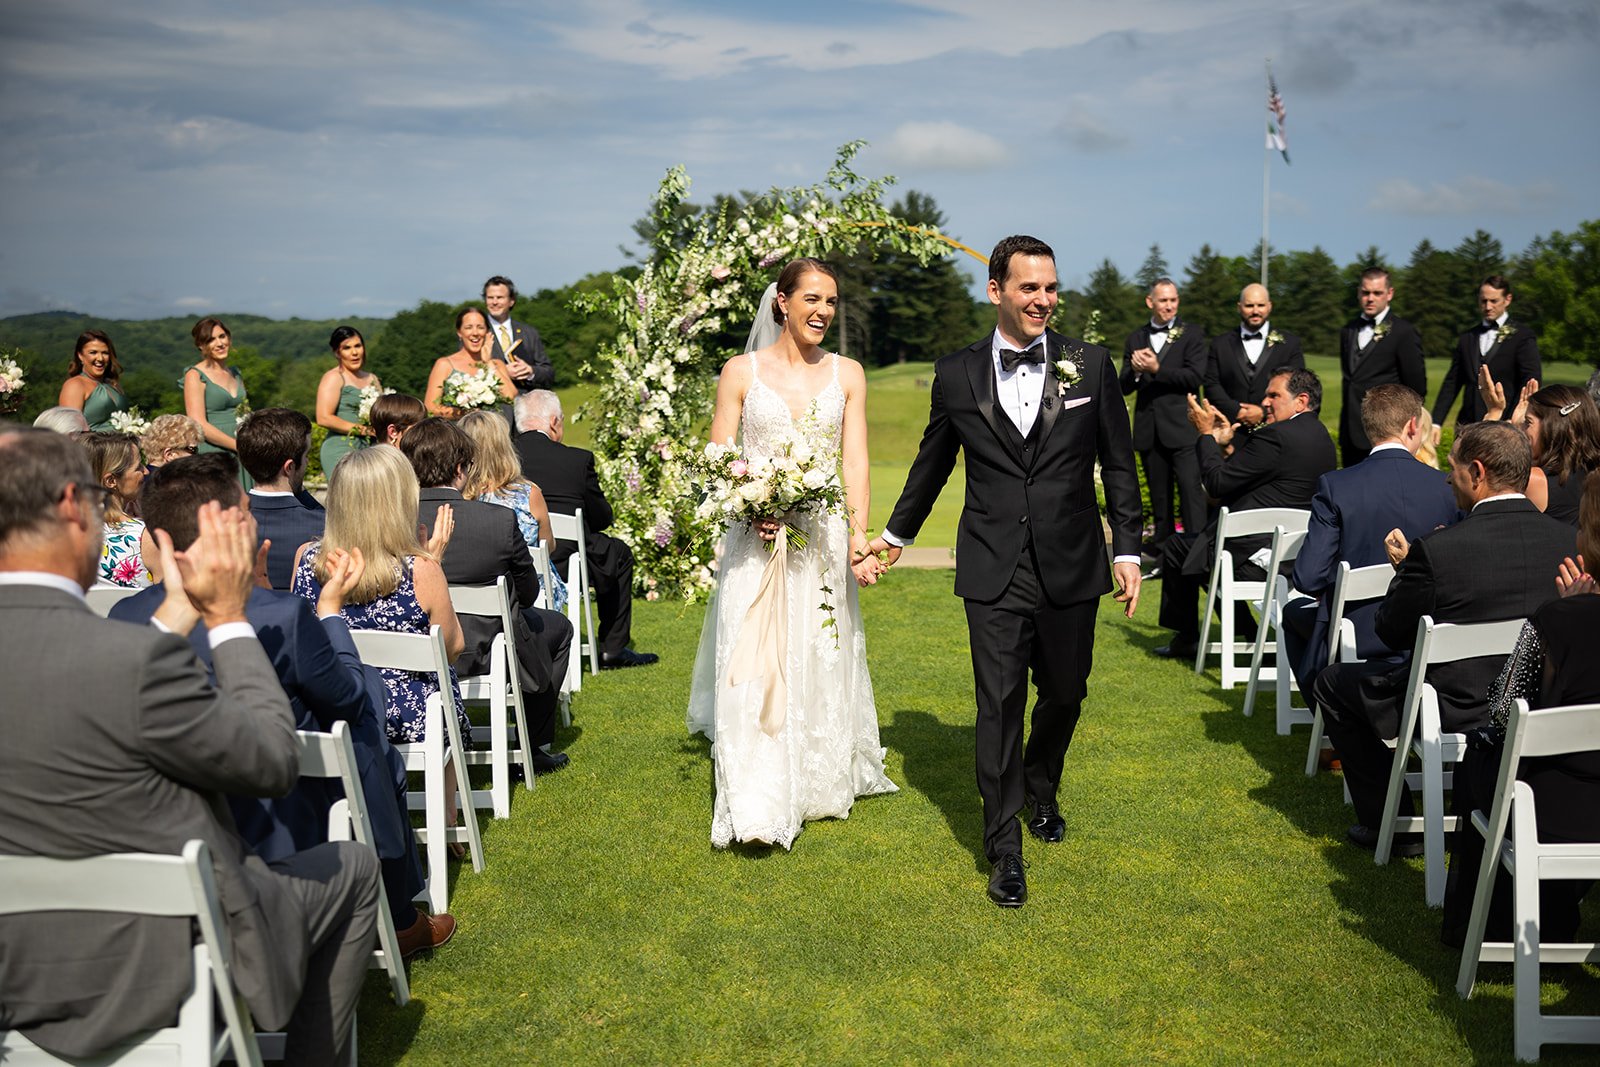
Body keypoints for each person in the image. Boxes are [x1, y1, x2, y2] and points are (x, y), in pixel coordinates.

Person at [0, 427, 379, 1064]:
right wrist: (228, 617)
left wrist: (175, 615)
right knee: (354, 868)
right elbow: (270, 761)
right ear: (72, 506)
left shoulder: (122, 649)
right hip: (148, 965)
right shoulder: (134, 662)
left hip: (16, 964)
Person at [864, 236, 1143, 907]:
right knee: (998, 704)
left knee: (1067, 691)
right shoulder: (957, 373)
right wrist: (896, 534)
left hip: (1074, 560)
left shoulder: (1090, 365)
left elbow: (1118, 461)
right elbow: (933, 462)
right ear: (996, 291)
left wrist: (1128, 548)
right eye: (1029, 288)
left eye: (1050, 288)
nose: (1043, 300)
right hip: (991, 565)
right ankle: (1003, 847)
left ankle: (1040, 785)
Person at [108, 453, 454, 958]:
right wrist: (330, 615)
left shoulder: (125, 615)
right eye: (247, 510)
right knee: (366, 717)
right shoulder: (282, 616)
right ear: (229, 526)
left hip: (167, 825)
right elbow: (347, 696)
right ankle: (399, 914)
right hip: (281, 815)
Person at [689, 257, 897, 852]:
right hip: (755, 543)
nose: (822, 311)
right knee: (754, 657)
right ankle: (755, 799)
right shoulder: (739, 371)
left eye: (831, 301)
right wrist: (751, 504)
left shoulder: (849, 374)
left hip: (823, 540)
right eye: (811, 299)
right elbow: (718, 457)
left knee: (817, 651)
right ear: (781, 302)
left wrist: (859, 538)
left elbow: (853, 461)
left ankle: (817, 782)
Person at [1310, 422, 1575, 854]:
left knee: (1333, 683)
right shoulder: (1567, 541)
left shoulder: (1438, 550)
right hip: (1539, 702)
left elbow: (1389, 629)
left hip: (1455, 706)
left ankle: (1392, 824)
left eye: (1452, 469)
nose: (1448, 479)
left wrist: (1405, 573)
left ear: (1477, 472)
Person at [1441, 472, 1600, 946]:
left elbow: (1504, 711)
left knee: (1481, 756)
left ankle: (1482, 926)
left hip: (1557, 807)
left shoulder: (1557, 617)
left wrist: (1566, 616)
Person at [290, 445, 471, 830]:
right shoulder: (420, 570)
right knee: (445, 682)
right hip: (408, 717)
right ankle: (447, 809)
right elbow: (454, 648)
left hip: (333, 706)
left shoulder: (307, 560)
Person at [402, 418, 573, 774]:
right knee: (558, 628)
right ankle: (533, 744)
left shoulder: (394, 520)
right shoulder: (497, 519)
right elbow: (528, 593)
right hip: (484, 652)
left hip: (412, 650)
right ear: (462, 469)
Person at [1281, 385, 1459, 690]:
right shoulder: (1447, 487)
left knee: (1293, 613)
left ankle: (1331, 718)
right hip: (1428, 629)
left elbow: (1308, 578)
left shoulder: (1336, 485)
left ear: (1368, 429)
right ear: (1413, 426)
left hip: (1354, 629)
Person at [1151, 368, 1337, 659]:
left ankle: (1187, 638)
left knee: (1184, 548)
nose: (1264, 401)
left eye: (1274, 395)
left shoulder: (1276, 436)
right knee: (1200, 549)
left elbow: (1216, 483)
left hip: (1257, 555)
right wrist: (1223, 446)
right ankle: (1250, 635)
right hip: (1295, 552)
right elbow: (1252, 478)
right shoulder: (1321, 437)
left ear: (1301, 401)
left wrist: (1206, 437)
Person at [513, 389, 658, 668]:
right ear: (554, 422)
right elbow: (601, 517)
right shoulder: (576, 460)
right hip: (566, 561)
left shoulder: (500, 459)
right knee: (618, 553)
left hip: (514, 558)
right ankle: (612, 648)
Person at [1120, 277, 1207, 557]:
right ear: (1150, 302)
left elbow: (1195, 377)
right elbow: (1122, 387)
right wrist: (1134, 371)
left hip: (1182, 428)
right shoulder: (1136, 338)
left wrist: (1157, 368)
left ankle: (1196, 550)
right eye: (1163, 300)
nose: (1169, 306)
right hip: (1149, 428)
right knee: (1160, 498)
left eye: (1173, 300)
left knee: (1190, 491)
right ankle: (1162, 551)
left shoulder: (1191, 334)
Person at [459, 408, 568, 611]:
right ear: (504, 446)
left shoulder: (456, 499)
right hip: (528, 598)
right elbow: (547, 547)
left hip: (469, 598)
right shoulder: (529, 494)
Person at [1337, 268, 1426, 466]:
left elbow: (1416, 387)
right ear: (1358, 293)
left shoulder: (1404, 332)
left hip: (1387, 432)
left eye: (1377, 293)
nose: (1370, 298)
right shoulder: (1348, 330)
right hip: (1350, 432)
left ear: (1390, 293)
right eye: (1365, 292)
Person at [1430, 275, 1540, 429]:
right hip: (1468, 423)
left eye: (1493, 301)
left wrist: (1514, 419)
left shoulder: (1523, 336)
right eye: (1483, 301)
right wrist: (1436, 422)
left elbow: (1529, 381)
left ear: (1507, 299)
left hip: (1505, 424)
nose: (1488, 307)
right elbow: (1452, 382)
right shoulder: (1467, 337)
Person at [238, 407, 327, 590]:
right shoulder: (323, 527)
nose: (308, 462)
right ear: (289, 467)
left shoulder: (222, 524)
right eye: (306, 455)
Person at [1203, 283, 1305, 429]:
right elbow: (1211, 384)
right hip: (1229, 428)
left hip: (1276, 429)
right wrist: (1237, 411)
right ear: (1239, 307)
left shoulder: (1290, 344)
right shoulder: (1220, 344)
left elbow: (1297, 386)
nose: (1255, 311)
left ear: (1269, 306)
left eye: (1261, 305)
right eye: (1249, 306)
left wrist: (1263, 411)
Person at [1502, 385, 1599, 527]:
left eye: (1527, 422)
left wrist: (1494, 413)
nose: (1522, 430)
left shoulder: (1535, 480)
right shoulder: (1591, 470)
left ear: (1552, 426)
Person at [184, 316, 251, 488]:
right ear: (201, 345)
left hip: (243, 451)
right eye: (211, 339)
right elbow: (198, 423)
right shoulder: (195, 375)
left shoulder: (236, 373)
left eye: (222, 336)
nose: (219, 343)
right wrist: (238, 446)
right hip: (215, 452)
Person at [83, 430, 150, 587]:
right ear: (111, 480)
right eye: (138, 467)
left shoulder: (63, 532)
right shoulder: (143, 536)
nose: (146, 471)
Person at [424, 306, 516, 419]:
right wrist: (465, 413)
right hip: (457, 433)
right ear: (459, 332)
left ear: (487, 332)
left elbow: (510, 397)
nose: (475, 333)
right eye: (468, 327)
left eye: (480, 327)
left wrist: (488, 362)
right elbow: (431, 408)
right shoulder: (444, 364)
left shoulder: (497, 364)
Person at [316, 325, 381, 476]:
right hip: (341, 447)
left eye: (358, 346)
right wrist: (364, 430)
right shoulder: (334, 377)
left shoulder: (372, 378)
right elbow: (324, 418)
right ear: (337, 353)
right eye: (347, 348)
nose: (354, 352)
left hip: (371, 449)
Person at [483, 274, 554, 391]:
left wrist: (530, 371)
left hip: (527, 404)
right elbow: (468, 370)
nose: (494, 302)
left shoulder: (529, 333)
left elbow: (548, 373)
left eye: (500, 297)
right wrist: (503, 372)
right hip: (493, 406)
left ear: (511, 301)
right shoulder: (477, 334)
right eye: (490, 298)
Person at [57, 329, 129, 431]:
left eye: (105, 353)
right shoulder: (75, 385)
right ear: (80, 355)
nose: (100, 358)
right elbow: (69, 431)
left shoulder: (113, 385)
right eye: (93, 352)